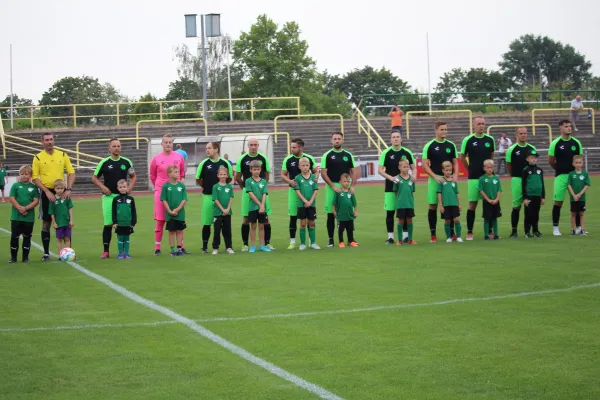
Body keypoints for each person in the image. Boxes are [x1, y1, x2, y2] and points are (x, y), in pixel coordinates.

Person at [32, 132, 76, 261]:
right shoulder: (38, 158)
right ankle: (46, 253)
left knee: (66, 221)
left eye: (51, 139)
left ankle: (68, 251)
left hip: (62, 191)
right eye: (46, 140)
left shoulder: (62, 155)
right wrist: (46, 191)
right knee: (46, 222)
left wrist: (68, 189)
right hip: (47, 192)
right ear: (42, 142)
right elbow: (35, 178)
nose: (49, 142)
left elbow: (71, 172)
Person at [91, 138, 136, 259]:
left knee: (122, 224)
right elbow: (94, 178)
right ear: (109, 148)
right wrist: (103, 187)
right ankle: (106, 251)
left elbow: (133, 176)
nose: (117, 148)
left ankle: (122, 252)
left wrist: (129, 188)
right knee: (108, 224)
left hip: (123, 198)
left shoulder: (126, 162)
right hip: (109, 197)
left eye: (119, 146)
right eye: (114, 146)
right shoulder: (104, 163)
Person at [422, 121, 459, 243]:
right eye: (442, 129)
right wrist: (435, 177)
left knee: (449, 205)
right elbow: (425, 165)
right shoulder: (429, 146)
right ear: (436, 130)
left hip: (448, 180)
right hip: (435, 179)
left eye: (446, 130)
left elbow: (455, 162)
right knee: (433, 205)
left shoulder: (451, 145)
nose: (444, 132)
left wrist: (455, 174)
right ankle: (433, 234)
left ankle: (452, 233)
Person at [321, 132, 360, 247]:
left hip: (346, 186)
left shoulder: (348, 155)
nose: (337, 140)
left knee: (348, 212)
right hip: (332, 186)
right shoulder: (327, 155)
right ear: (331, 140)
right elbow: (323, 173)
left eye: (339, 139)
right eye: (335, 139)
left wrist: (352, 186)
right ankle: (331, 240)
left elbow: (353, 172)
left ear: (342, 140)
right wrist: (333, 186)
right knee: (331, 214)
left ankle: (350, 239)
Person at [149, 134, 185, 255]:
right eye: (166, 142)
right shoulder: (156, 159)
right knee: (160, 220)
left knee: (178, 219)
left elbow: (182, 173)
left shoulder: (179, 157)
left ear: (172, 144)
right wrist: (160, 188)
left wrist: (178, 186)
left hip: (176, 192)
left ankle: (181, 247)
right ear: (162, 144)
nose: (168, 144)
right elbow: (152, 175)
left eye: (170, 142)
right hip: (161, 192)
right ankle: (157, 248)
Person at [236, 138, 274, 251]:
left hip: (262, 191)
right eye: (251, 144)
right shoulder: (242, 159)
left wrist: (262, 186)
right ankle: (245, 244)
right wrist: (245, 188)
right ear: (248, 146)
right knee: (246, 218)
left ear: (258, 145)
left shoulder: (263, 158)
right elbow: (238, 177)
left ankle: (266, 243)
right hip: (248, 193)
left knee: (265, 219)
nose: (253, 146)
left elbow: (267, 174)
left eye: (255, 144)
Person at [378, 130, 416, 244]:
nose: (395, 139)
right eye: (393, 137)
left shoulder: (407, 152)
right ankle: (390, 237)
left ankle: (405, 236)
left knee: (404, 211)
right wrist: (391, 178)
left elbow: (414, 168)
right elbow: (380, 170)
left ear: (401, 139)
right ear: (390, 140)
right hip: (390, 187)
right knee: (390, 212)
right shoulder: (386, 153)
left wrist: (413, 176)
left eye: (397, 137)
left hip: (404, 188)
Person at [461, 116, 496, 240]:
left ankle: (490, 231)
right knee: (472, 204)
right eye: (479, 124)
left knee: (490, 203)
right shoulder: (468, 140)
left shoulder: (490, 139)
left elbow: (492, 156)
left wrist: (490, 170)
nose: (481, 126)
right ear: (474, 125)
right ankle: (470, 232)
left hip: (487, 177)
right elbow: (462, 157)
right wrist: (470, 169)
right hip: (474, 178)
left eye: (483, 123)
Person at [196, 142, 233, 253]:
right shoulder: (204, 163)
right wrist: (208, 187)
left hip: (223, 198)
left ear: (216, 149)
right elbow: (198, 179)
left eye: (209, 148)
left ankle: (227, 246)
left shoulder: (225, 163)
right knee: (207, 222)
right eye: (206, 148)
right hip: (208, 196)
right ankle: (205, 247)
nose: (207, 150)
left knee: (224, 223)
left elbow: (230, 178)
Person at [548, 120, 584, 235]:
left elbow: (579, 159)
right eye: (566, 126)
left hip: (574, 176)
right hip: (561, 176)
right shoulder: (555, 143)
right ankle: (555, 228)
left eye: (570, 126)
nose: (569, 128)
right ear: (561, 128)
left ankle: (578, 227)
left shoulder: (576, 143)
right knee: (558, 202)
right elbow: (551, 161)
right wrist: (560, 168)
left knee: (576, 201)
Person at [281, 138, 317, 249]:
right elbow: (283, 175)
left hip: (308, 192)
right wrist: (289, 181)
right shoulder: (288, 159)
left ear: (301, 147)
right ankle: (292, 242)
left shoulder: (309, 158)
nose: (292, 149)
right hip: (293, 191)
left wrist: (316, 178)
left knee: (309, 218)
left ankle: (311, 242)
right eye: (291, 147)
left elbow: (316, 172)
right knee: (293, 216)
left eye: (294, 147)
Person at [506, 127, 536, 238]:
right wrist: (514, 176)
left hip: (529, 180)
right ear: (517, 135)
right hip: (517, 179)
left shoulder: (531, 148)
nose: (523, 135)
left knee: (529, 206)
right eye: (521, 133)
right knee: (516, 206)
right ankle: (514, 231)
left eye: (525, 133)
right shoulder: (512, 149)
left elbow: (534, 163)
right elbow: (509, 165)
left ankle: (527, 231)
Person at [8, 165, 39, 263]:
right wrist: (19, 208)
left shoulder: (33, 187)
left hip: (28, 217)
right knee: (14, 236)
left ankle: (25, 258)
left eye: (26, 174)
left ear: (30, 175)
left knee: (27, 236)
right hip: (16, 217)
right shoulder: (15, 186)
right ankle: (13, 258)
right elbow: (12, 198)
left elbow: (36, 201)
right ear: (19, 175)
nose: (24, 176)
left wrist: (26, 208)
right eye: (22, 174)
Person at [245, 160, 271, 253]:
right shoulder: (248, 181)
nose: (256, 171)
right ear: (251, 170)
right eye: (254, 169)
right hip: (253, 207)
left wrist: (263, 205)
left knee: (261, 226)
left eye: (258, 169)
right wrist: (260, 205)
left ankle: (262, 245)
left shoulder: (263, 181)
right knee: (253, 226)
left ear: (260, 170)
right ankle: (252, 246)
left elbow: (264, 193)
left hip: (262, 207)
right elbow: (251, 194)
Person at [161, 165, 188, 256]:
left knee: (179, 231)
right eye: (175, 172)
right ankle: (172, 249)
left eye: (178, 172)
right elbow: (164, 199)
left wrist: (177, 209)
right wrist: (169, 210)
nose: (178, 174)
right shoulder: (165, 186)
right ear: (169, 174)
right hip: (170, 214)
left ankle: (179, 248)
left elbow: (184, 199)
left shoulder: (181, 186)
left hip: (180, 213)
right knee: (171, 231)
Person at [294, 157, 320, 250]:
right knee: (303, 224)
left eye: (307, 165)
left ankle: (313, 243)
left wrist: (310, 201)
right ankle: (302, 244)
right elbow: (297, 191)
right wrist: (305, 201)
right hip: (302, 205)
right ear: (299, 167)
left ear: (309, 166)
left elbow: (316, 190)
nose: (305, 167)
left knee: (312, 223)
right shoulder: (297, 178)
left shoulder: (313, 177)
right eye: (303, 165)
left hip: (311, 204)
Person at [438, 161, 463, 243]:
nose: (448, 172)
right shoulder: (441, 181)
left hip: (454, 204)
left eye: (450, 170)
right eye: (446, 170)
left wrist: (459, 204)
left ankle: (459, 236)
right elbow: (439, 194)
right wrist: (441, 205)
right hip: (446, 205)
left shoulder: (453, 181)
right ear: (443, 171)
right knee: (447, 220)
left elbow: (457, 193)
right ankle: (449, 237)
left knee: (456, 219)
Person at [521, 149, 545, 238]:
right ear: (527, 159)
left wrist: (543, 196)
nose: (534, 159)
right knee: (528, 214)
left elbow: (542, 183)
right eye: (532, 158)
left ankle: (536, 231)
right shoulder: (525, 170)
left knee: (536, 214)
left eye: (535, 158)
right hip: (529, 196)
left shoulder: (539, 170)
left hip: (537, 195)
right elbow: (523, 184)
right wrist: (525, 197)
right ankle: (527, 232)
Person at [392, 159, 417, 245]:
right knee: (401, 220)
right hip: (401, 204)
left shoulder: (412, 179)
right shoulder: (397, 179)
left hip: (410, 203)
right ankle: (399, 240)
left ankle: (410, 239)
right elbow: (395, 191)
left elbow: (412, 190)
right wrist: (399, 199)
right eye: (404, 167)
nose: (406, 169)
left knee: (409, 220)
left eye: (407, 167)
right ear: (399, 167)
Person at [112, 179, 137, 259]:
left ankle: (126, 253)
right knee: (120, 238)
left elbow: (133, 211)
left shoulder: (131, 199)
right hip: (119, 223)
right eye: (120, 187)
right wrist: (115, 222)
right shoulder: (115, 199)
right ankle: (120, 253)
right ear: (118, 188)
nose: (122, 188)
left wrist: (133, 222)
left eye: (124, 187)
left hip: (128, 223)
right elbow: (113, 212)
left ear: (127, 187)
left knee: (126, 238)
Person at [212, 166, 235, 255]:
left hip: (227, 212)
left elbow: (231, 198)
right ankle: (215, 247)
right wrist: (222, 209)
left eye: (224, 174)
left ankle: (229, 247)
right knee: (217, 230)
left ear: (227, 175)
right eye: (221, 174)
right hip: (218, 212)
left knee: (227, 230)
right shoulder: (215, 187)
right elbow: (215, 199)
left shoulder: (229, 187)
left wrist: (228, 209)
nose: (222, 176)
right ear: (218, 175)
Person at [48, 179, 74, 256]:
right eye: (58, 188)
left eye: (62, 188)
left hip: (67, 222)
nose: (60, 190)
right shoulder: (52, 199)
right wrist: (54, 222)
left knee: (67, 239)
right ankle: (60, 255)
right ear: (54, 189)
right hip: (59, 223)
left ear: (64, 188)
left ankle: (68, 254)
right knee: (59, 240)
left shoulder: (67, 198)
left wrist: (71, 220)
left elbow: (70, 209)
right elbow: (51, 212)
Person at [332, 173, 359, 248]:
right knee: (341, 229)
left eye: (348, 181)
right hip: (341, 215)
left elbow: (355, 203)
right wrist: (334, 211)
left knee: (350, 229)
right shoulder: (338, 192)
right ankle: (341, 242)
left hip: (349, 215)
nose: (346, 183)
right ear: (340, 182)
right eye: (344, 181)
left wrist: (356, 211)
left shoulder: (351, 192)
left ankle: (351, 241)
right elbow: (334, 203)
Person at [478, 160, 502, 240]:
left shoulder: (496, 178)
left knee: (495, 218)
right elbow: (481, 190)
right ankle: (486, 235)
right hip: (487, 202)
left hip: (495, 202)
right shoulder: (482, 178)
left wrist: (497, 199)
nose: (490, 169)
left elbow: (499, 190)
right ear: (484, 168)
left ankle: (496, 234)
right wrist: (488, 200)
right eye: (488, 168)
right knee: (487, 218)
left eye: (491, 167)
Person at [567, 155, 590, 236]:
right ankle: (572, 230)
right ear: (573, 164)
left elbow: (587, 185)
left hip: (582, 198)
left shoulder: (585, 174)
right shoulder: (571, 174)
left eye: (580, 162)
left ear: (582, 163)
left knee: (581, 214)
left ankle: (582, 230)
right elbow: (569, 185)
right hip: (573, 198)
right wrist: (574, 195)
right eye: (576, 163)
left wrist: (580, 194)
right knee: (573, 214)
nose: (578, 164)